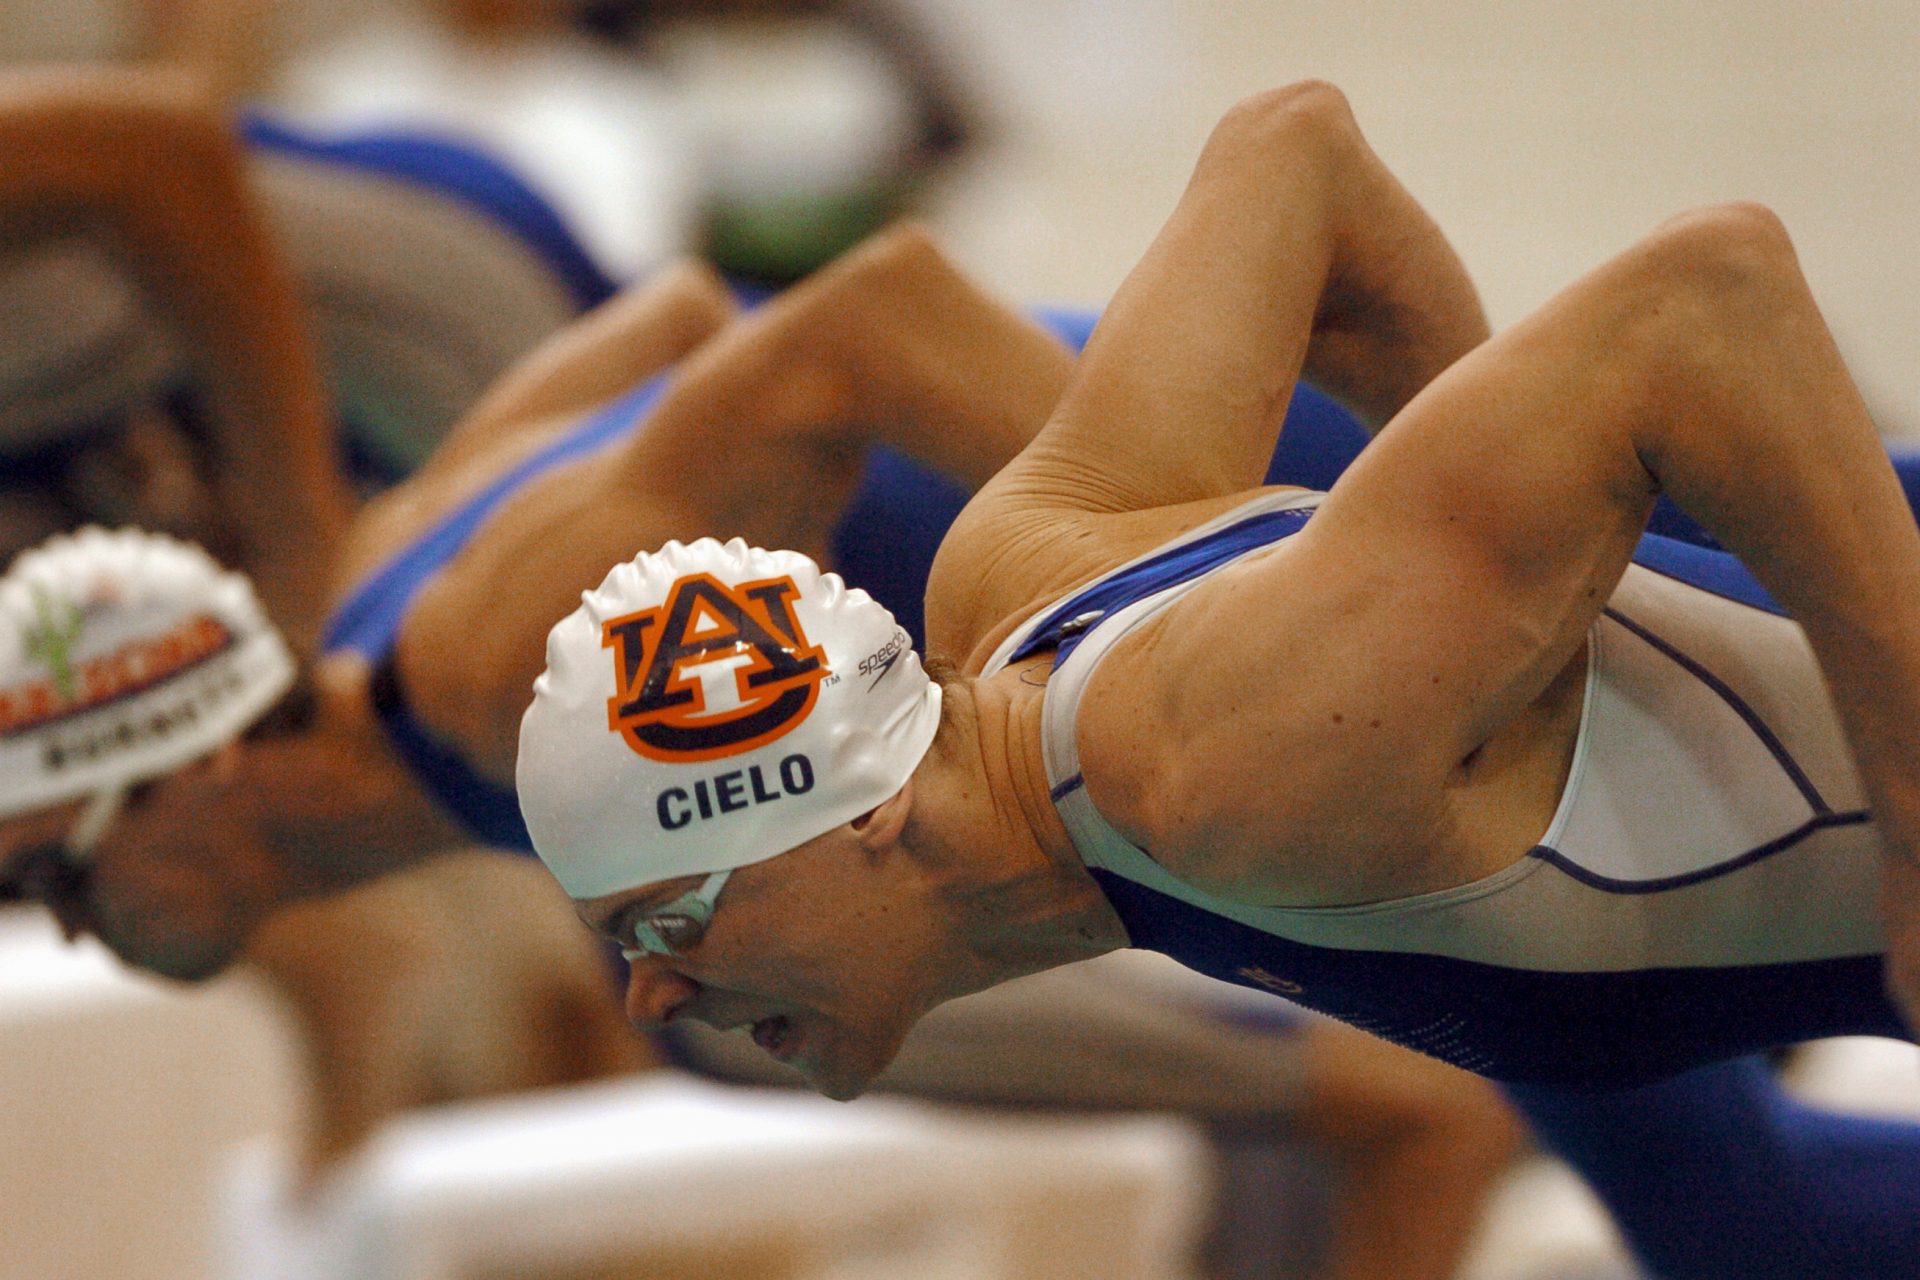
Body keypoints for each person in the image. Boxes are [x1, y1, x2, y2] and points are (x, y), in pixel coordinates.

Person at [516, 81, 1920, 1279]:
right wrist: (1560, 593)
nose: (645, 998)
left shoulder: (1208, 770)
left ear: (850, 808)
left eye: (664, 922)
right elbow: (1289, 153)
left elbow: (1705, 300)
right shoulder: (1010, 583)